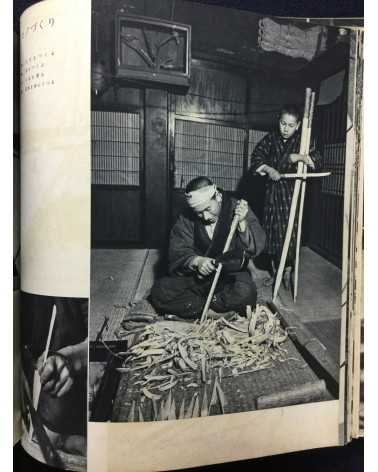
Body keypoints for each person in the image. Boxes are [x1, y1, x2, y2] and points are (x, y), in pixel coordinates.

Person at [150, 177, 266, 319]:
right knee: (159, 291)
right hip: (197, 279)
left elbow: (253, 249)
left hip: (229, 277)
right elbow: (178, 251)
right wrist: (197, 261)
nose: (205, 216)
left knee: (245, 294)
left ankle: (198, 309)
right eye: (198, 212)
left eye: (208, 209)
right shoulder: (186, 217)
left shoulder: (237, 209)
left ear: (217, 196)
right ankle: (213, 310)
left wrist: (242, 223)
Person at [248, 105, 322, 288]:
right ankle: (276, 271)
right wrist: (267, 168)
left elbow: (318, 160)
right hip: (273, 195)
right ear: (279, 122)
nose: (285, 129)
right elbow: (256, 157)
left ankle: (288, 269)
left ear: (297, 126)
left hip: (292, 195)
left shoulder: (304, 141)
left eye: (290, 125)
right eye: (283, 123)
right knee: (271, 236)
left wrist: (299, 157)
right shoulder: (271, 138)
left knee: (290, 235)